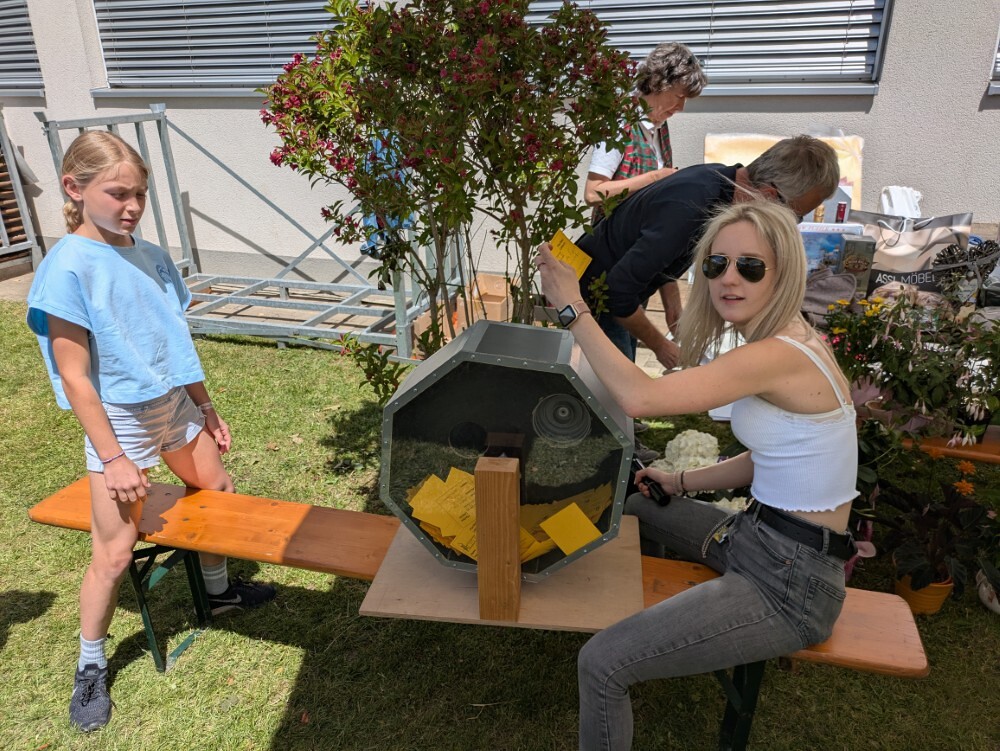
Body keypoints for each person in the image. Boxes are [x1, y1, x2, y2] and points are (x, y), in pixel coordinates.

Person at [537, 199, 858, 750]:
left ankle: (623, 631)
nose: (728, 279)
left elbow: (640, 398)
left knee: (602, 663)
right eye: (716, 264)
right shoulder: (790, 341)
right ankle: (595, 598)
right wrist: (680, 482)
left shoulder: (777, 354)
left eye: (750, 267)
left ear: (783, 272)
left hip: (790, 583)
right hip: (760, 539)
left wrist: (573, 307)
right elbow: (771, 456)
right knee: (636, 502)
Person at [26, 131, 276, 733]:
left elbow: (173, 342)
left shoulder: (152, 255)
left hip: (173, 405)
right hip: (121, 422)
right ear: (73, 188)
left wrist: (205, 406)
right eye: (118, 193)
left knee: (218, 492)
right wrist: (113, 457)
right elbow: (76, 377)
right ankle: (90, 666)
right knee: (114, 555)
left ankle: (217, 591)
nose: (132, 206)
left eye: (139, 193)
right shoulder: (67, 268)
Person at [577, 135, 840, 371]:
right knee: (617, 391)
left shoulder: (720, 182)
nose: (791, 224)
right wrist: (661, 347)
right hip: (593, 295)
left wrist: (673, 309)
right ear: (769, 195)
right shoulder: (693, 205)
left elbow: (660, 254)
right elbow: (618, 291)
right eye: (794, 216)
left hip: (612, 291)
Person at [583, 42, 707, 215]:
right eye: (679, 96)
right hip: (617, 230)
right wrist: (656, 177)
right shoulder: (620, 122)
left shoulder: (660, 125)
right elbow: (592, 193)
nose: (681, 107)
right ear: (658, 83)